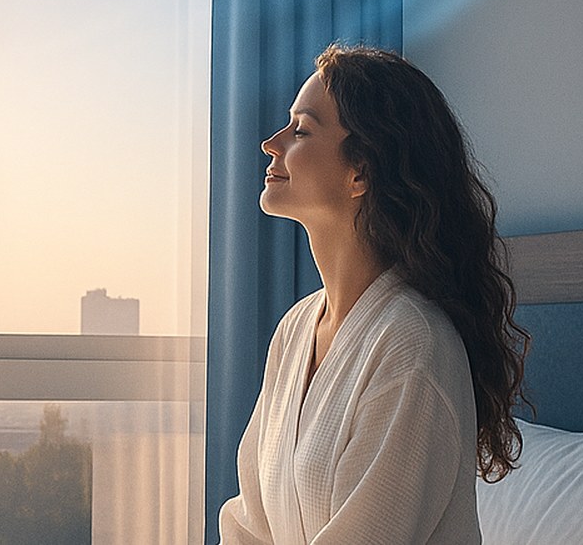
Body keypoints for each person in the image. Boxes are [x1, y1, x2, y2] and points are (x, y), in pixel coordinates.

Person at [218, 44, 530, 544]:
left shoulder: (413, 346)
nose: (271, 144)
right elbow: (249, 522)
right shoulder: (296, 330)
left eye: (301, 130)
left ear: (359, 170)